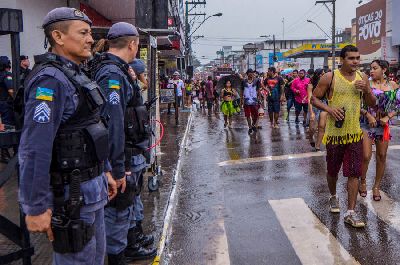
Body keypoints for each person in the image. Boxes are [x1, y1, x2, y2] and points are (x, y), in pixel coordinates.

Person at [18, 7, 117, 264]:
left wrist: (104, 169)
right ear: (58, 37)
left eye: (90, 33)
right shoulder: (49, 81)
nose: (90, 39)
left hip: (91, 191)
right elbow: (34, 147)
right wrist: (35, 206)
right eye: (83, 32)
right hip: (71, 198)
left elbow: (92, 126)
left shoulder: (75, 74)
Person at [92, 22, 156, 264]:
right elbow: (114, 123)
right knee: (119, 210)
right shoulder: (111, 74)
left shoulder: (119, 70)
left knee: (129, 204)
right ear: (133, 44)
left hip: (130, 152)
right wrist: (117, 167)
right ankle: (120, 253)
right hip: (123, 156)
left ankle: (131, 242)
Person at [312, 45, 376, 228]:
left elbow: (372, 103)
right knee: (332, 171)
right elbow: (314, 98)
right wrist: (329, 109)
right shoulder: (330, 77)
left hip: (354, 134)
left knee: (354, 173)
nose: (355, 61)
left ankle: (351, 212)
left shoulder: (363, 78)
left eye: (357, 58)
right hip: (334, 136)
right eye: (351, 58)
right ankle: (333, 196)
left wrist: (367, 90)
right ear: (342, 60)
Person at [359, 60, 400, 200]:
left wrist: (388, 117)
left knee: (382, 156)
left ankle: (376, 186)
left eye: (374, 68)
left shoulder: (393, 85)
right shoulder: (366, 85)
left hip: (383, 126)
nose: (371, 71)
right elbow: (356, 104)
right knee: (365, 155)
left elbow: (398, 106)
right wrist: (368, 115)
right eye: (370, 68)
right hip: (366, 124)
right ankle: (363, 181)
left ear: (384, 69)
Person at [308, 68, 327, 151]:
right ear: (319, 75)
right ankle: (310, 138)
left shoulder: (327, 83)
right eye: (323, 73)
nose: (325, 75)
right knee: (313, 128)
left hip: (324, 105)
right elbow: (309, 98)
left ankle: (318, 146)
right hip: (314, 105)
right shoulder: (311, 84)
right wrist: (311, 112)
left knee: (322, 126)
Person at [0, 56, 15, 163]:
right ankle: (5, 154)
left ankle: (5, 152)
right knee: (9, 127)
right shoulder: (7, 75)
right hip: (7, 105)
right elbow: (11, 90)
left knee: (3, 127)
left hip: (1, 104)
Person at [242, 69, 261, 134]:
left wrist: (260, 98)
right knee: (247, 115)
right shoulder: (243, 81)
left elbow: (258, 90)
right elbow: (242, 91)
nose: (251, 74)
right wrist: (241, 100)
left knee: (256, 115)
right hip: (246, 100)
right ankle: (250, 127)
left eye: (252, 73)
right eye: (250, 73)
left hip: (254, 100)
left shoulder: (257, 81)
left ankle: (253, 125)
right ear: (247, 74)